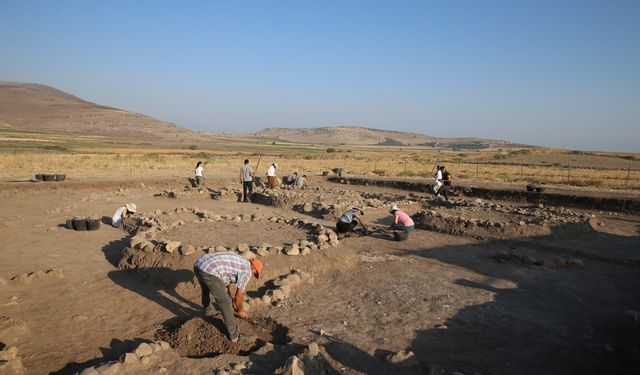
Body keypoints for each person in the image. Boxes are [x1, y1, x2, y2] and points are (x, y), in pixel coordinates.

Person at [193, 252, 263, 343]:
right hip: (210, 270)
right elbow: (239, 295)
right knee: (225, 303)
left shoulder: (240, 262)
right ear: (253, 268)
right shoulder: (247, 271)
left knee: (206, 288)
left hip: (199, 265)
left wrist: (231, 302)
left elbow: (225, 285)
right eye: (255, 273)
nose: (253, 274)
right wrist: (240, 310)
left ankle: (208, 311)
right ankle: (235, 336)